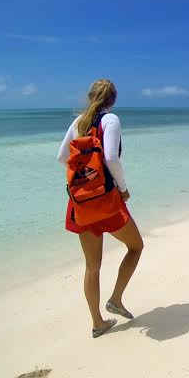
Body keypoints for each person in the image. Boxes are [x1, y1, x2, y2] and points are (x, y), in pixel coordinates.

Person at [57, 79, 144, 338]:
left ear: (89, 96)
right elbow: (110, 157)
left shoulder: (78, 122)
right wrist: (122, 187)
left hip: (81, 204)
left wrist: (84, 181)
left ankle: (98, 323)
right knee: (136, 247)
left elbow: (62, 158)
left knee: (92, 266)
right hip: (107, 203)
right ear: (113, 100)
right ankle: (115, 299)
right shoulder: (111, 120)